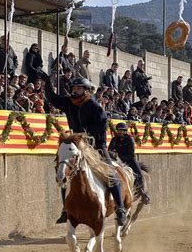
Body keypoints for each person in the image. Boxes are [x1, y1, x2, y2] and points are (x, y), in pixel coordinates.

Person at [41, 72, 128, 226]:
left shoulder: (94, 105)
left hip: (96, 145)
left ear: (87, 91)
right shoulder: (68, 102)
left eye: (79, 88)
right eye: (74, 88)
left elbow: (102, 125)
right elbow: (53, 100)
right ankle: (66, 209)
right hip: (76, 144)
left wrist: (87, 135)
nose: (75, 90)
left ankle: (120, 209)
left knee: (111, 174)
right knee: (64, 170)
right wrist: (47, 83)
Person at [108, 122, 150, 204]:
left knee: (138, 174)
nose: (119, 132)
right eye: (118, 130)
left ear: (125, 131)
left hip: (129, 159)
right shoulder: (114, 139)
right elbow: (109, 150)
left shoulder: (130, 139)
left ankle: (142, 192)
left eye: (121, 130)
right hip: (118, 160)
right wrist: (112, 155)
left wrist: (119, 158)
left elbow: (131, 154)